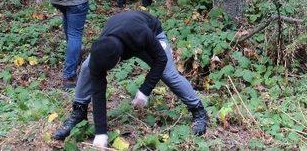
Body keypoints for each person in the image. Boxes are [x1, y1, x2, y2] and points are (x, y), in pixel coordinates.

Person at [52, 11, 209, 145]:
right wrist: (101, 132)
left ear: (119, 60)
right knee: (87, 67)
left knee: (168, 73)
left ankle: (198, 110)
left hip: (150, 35)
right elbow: (98, 89)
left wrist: (145, 90)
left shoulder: (141, 34)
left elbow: (161, 60)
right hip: (118, 36)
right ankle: (79, 112)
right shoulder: (102, 46)